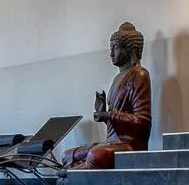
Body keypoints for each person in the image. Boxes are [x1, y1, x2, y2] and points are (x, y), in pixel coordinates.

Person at [62, 21, 152, 169]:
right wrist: (103, 113)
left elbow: (142, 121)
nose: (111, 54)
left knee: (97, 154)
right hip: (113, 143)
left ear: (131, 49)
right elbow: (119, 124)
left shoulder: (139, 74)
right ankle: (79, 168)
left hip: (130, 145)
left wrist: (108, 115)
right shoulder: (118, 78)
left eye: (115, 48)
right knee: (67, 154)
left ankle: (78, 169)